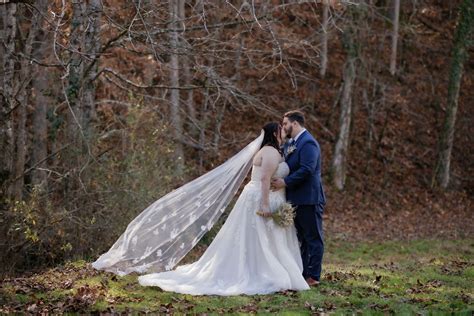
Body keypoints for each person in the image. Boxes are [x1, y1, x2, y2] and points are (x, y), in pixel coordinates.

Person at [93, 122, 309, 295]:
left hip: (261, 198)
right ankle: (263, 272)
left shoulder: (270, 150)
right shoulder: (271, 152)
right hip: (261, 200)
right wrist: (264, 205)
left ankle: (263, 269)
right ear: (274, 133)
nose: (283, 131)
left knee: (258, 238)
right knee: (260, 238)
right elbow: (264, 180)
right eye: (281, 129)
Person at [272, 110, 326, 286]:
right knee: (299, 238)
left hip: (309, 198)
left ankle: (314, 276)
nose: (284, 126)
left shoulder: (308, 143)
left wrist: (285, 182)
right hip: (294, 198)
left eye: (286, 123)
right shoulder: (290, 144)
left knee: (313, 238)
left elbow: (307, 169)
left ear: (295, 124)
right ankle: (301, 273)